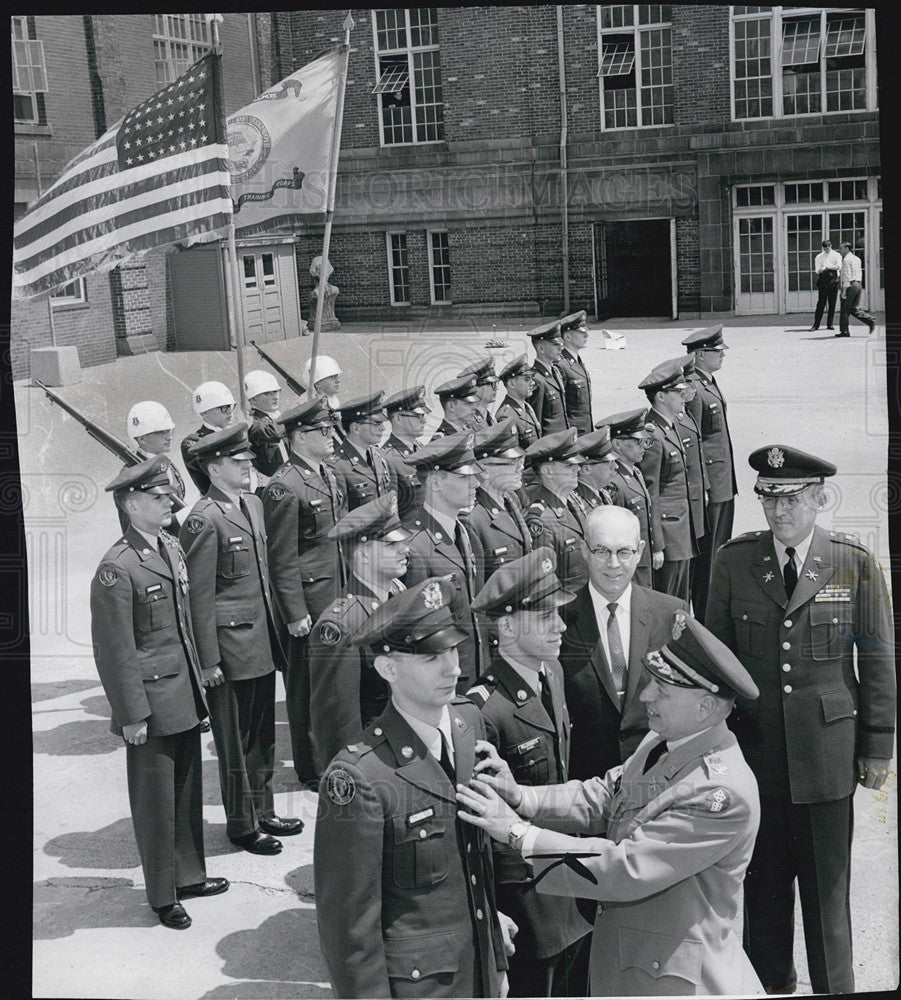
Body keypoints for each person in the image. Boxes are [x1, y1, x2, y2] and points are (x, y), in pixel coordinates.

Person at [456, 611, 764, 998]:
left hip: (674, 983)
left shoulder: (720, 793)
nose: (646, 695)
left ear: (704, 707)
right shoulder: (664, 742)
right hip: (633, 963)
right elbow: (606, 795)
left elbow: (626, 866)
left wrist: (518, 834)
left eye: (662, 691)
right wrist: (520, 795)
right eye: (652, 681)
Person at [705, 445, 895, 995]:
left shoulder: (851, 562)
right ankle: (769, 987)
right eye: (768, 499)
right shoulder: (734, 561)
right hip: (755, 756)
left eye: (790, 500)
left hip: (827, 758)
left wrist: (877, 747)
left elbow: (878, 660)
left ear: (817, 497)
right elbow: (717, 659)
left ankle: (836, 988)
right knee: (762, 891)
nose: (778, 512)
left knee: (827, 896)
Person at [314, 576, 513, 999]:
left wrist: (494, 957)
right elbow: (350, 930)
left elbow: (477, 866)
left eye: (454, 649)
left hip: (477, 973)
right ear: (388, 668)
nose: (454, 668)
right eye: (431, 658)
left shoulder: (467, 724)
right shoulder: (359, 777)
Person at [90, 456, 228, 929]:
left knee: (187, 791)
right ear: (131, 504)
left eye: (169, 493)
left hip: (183, 693)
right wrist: (131, 715)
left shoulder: (169, 545)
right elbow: (115, 650)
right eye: (157, 496)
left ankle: (189, 875)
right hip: (148, 703)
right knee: (155, 802)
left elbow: (184, 626)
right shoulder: (117, 568)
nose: (170, 500)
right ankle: (162, 895)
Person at [467, 549, 592, 997]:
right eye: (545, 617)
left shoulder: (551, 673)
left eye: (559, 614)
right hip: (523, 896)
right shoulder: (482, 709)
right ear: (505, 627)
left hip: (563, 873)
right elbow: (478, 828)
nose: (560, 626)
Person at [180, 424, 303, 856]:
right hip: (229, 649)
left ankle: (263, 809)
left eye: (249, 461)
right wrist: (208, 661)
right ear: (214, 468)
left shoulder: (250, 504)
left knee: (262, 734)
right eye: (238, 462)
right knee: (234, 740)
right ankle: (241, 825)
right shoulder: (204, 518)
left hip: (261, 641)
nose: (248, 467)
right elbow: (198, 596)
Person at [558, 505, 686, 780]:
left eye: (623, 552)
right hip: (584, 780)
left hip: (656, 774)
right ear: (584, 550)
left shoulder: (671, 614)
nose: (613, 564)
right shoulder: (560, 619)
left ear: (639, 551)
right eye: (601, 551)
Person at [262, 398, 348, 784]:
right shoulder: (284, 487)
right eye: (323, 431)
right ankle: (312, 768)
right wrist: (295, 613)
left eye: (331, 429)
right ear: (299, 437)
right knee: (306, 689)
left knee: (335, 684)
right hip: (309, 604)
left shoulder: (327, 473)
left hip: (337, 592)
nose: (332, 436)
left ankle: (337, 753)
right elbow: (281, 558)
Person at [308, 492, 411, 775]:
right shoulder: (341, 627)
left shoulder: (398, 595)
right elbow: (337, 725)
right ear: (363, 554)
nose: (405, 550)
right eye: (392, 545)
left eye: (403, 542)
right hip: (375, 765)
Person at [401, 432, 486, 689]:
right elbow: (414, 634)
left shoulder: (465, 532)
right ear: (435, 483)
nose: (475, 485)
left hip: (476, 671)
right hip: (444, 680)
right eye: (465, 478)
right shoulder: (414, 547)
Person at [681, 327, 737, 623]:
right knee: (708, 559)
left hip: (724, 481)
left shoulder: (709, 384)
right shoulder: (695, 391)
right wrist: (702, 483)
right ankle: (704, 620)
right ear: (700, 355)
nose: (723, 354)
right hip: (712, 484)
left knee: (719, 552)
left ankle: (712, 615)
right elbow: (693, 442)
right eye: (717, 351)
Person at [638, 358, 700, 603]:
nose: (683, 396)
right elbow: (650, 493)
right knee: (667, 601)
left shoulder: (671, 427)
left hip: (681, 531)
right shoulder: (653, 436)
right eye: (678, 391)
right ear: (661, 396)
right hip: (669, 533)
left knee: (681, 602)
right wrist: (657, 544)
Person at [464, 418, 532, 580]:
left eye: (520, 461)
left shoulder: (511, 499)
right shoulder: (473, 519)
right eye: (512, 463)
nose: (520, 467)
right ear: (484, 470)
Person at [523, 429, 589, 591]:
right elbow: (543, 582)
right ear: (547, 471)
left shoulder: (573, 502)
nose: (577, 469)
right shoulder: (541, 520)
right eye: (569, 465)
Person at [605, 408, 658, 588]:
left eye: (645, 441)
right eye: (638, 441)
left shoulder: (634, 472)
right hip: (628, 569)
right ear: (618, 444)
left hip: (642, 563)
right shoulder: (614, 483)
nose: (644, 446)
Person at [122, 401, 186, 537]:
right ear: (142, 438)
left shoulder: (166, 464)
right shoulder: (131, 474)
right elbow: (136, 526)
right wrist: (179, 518)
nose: (169, 436)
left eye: (169, 430)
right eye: (161, 432)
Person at [330, 392, 397, 509]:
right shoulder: (336, 466)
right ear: (356, 428)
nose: (383, 428)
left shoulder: (378, 456)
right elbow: (341, 518)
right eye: (377, 423)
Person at [382, 385, 430, 518]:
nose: (424, 420)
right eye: (418, 415)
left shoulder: (422, 449)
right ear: (398, 419)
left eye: (424, 415)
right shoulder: (387, 459)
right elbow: (390, 514)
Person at [180, 382, 236, 494]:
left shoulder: (234, 436)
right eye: (223, 408)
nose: (229, 412)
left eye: (230, 406)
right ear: (204, 412)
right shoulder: (193, 443)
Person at [244, 369, 289, 481]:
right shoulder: (253, 422)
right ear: (253, 398)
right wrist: (297, 409)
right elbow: (272, 432)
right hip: (271, 486)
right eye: (268, 393)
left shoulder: (276, 417)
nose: (275, 396)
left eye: (276, 391)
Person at [527, 320, 570, 435]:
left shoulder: (556, 371)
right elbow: (537, 421)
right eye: (556, 345)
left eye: (561, 344)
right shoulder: (536, 379)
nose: (561, 348)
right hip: (550, 444)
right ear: (541, 348)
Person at [554, 310, 593, 435]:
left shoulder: (577, 361)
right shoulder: (561, 365)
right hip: (573, 433)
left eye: (586, 332)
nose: (586, 336)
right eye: (581, 332)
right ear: (568, 337)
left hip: (585, 429)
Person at [495, 354, 542, 452]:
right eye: (526, 379)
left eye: (532, 378)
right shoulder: (506, 417)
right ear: (511, 383)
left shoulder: (527, 407)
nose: (532, 382)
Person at [836, 241, 876, 337]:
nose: (840, 251)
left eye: (841, 248)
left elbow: (847, 276)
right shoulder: (857, 259)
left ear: (847, 248)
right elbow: (859, 273)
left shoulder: (846, 260)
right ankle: (870, 320)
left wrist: (844, 291)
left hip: (850, 284)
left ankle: (844, 331)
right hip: (858, 284)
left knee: (845, 309)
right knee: (853, 308)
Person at [572, 427, 618, 510]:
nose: (615, 466)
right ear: (586, 469)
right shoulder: (576, 503)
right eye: (608, 462)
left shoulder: (601, 492)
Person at [430, 374, 480, 440]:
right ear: (451, 406)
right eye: (468, 403)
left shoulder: (464, 433)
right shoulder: (442, 440)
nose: (475, 408)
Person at [304, 355, 344, 437]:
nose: (338, 380)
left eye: (337, 375)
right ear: (318, 383)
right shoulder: (310, 407)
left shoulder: (332, 400)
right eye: (332, 377)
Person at [808, 239, 842, 331]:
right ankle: (816, 325)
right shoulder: (819, 257)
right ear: (823, 247)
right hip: (823, 280)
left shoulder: (836, 255)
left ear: (831, 245)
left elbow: (839, 266)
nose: (827, 248)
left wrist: (828, 267)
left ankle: (830, 324)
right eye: (825, 246)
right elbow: (817, 270)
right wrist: (821, 269)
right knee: (821, 303)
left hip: (833, 280)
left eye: (828, 246)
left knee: (832, 303)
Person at [458, 356, 499, 429]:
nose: (496, 389)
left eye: (496, 384)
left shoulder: (489, 417)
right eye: (492, 384)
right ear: (476, 388)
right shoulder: (469, 421)